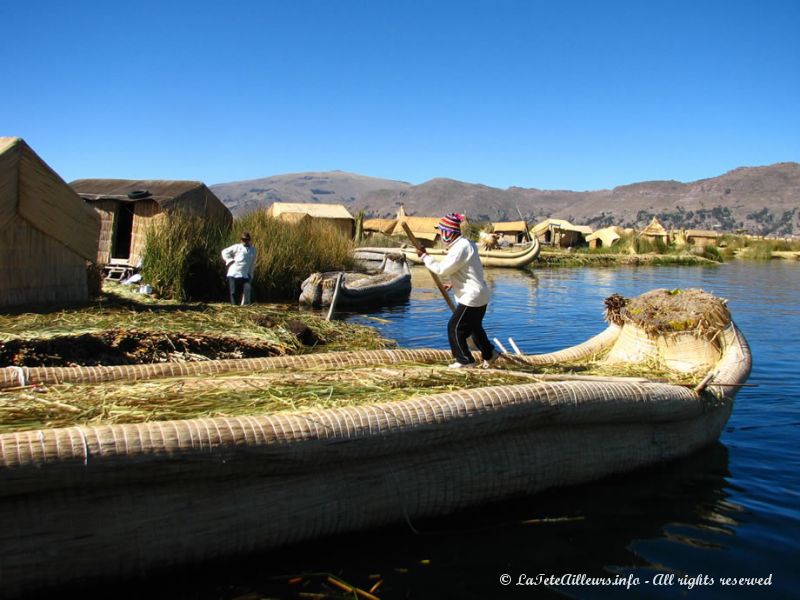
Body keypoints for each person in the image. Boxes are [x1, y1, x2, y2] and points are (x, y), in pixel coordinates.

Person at [417, 213, 500, 369]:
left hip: (472, 297)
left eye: (441, 232)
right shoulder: (465, 244)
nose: (440, 236)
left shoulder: (460, 247)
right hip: (479, 295)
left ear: (448, 233)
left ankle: (465, 360)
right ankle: (490, 354)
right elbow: (469, 271)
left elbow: (441, 269)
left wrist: (425, 257)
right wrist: (454, 284)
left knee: (455, 328)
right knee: (474, 328)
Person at [221, 232, 256, 305]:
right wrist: (229, 260)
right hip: (234, 273)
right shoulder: (237, 247)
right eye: (243, 239)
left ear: (249, 240)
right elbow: (224, 252)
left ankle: (245, 307)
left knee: (248, 290)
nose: (244, 241)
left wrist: (251, 274)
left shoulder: (253, 250)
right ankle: (234, 308)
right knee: (233, 292)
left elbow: (252, 263)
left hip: (245, 275)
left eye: (246, 239)